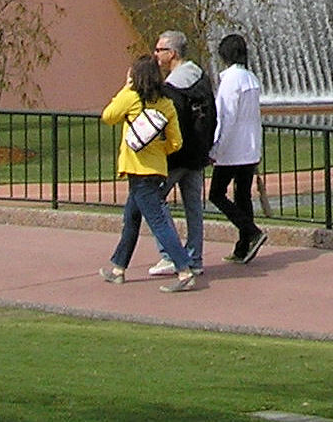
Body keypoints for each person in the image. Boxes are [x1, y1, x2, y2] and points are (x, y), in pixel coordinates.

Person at [99, 53, 196, 291]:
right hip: (156, 169)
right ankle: (118, 268)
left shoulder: (131, 97)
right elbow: (176, 143)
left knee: (159, 222)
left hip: (137, 170)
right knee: (131, 219)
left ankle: (184, 270)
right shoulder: (166, 104)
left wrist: (125, 87)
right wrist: (157, 149)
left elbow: (108, 116)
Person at [147, 29, 215, 279]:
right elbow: (212, 116)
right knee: (193, 208)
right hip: (198, 154)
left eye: (159, 50)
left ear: (172, 53)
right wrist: (209, 148)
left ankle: (170, 255)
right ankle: (194, 259)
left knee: (152, 200)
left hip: (177, 156)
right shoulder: (201, 77)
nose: (155, 55)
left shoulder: (172, 88)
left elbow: (171, 125)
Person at [209, 32, 267, 265]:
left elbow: (226, 117)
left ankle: (251, 232)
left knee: (216, 194)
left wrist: (215, 148)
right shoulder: (251, 78)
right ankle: (243, 247)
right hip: (250, 147)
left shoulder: (231, 80)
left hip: (233, 149)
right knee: (242, 196)